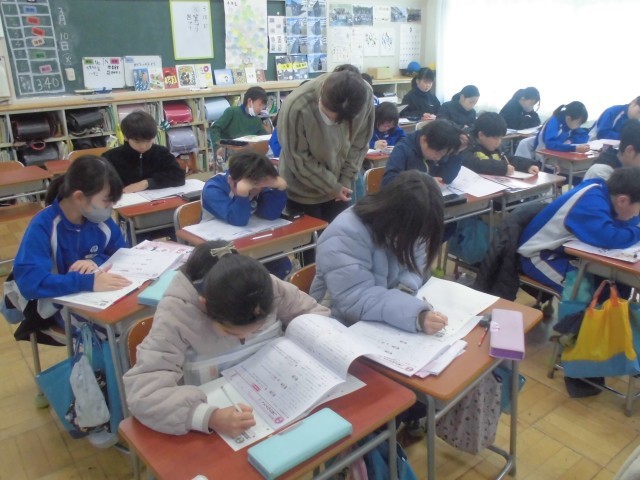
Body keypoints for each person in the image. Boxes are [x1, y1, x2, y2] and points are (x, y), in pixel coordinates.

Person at [123, 241, 330, 436]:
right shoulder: (177, 314)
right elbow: (143, 392)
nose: (245, 337)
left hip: (272, 390)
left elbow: (316, 317)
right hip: (220, 410)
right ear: (205, 305)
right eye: (232, 333)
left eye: (256, 330)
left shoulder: (267, 287)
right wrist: (208, 417)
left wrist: (330, 351)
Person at [310, 171, 448, 334]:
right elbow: (355, 299)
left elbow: (415, 266)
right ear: (394, 212)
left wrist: (404, 295)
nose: (418, 238)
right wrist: (415, 315)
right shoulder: (345, 234)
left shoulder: (412, 226)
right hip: (337, 322)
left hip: (381, 318)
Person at [10, 156, 131, 339]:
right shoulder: (44, 225)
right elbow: (30, 282)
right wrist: (87, 282)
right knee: (117, 333)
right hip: (54, 304)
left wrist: (94, 261)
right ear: (79, 197)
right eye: (106, 201)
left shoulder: (100, 221)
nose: (111, 208)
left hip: (96, 296)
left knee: (136, 318)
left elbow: (121, 253)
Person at [518, 167, 640, 294]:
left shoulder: (605, 193)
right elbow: (608, 237)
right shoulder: (591, 201)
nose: (637, 214)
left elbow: (622, 223)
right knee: (584, 292)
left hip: (565, 254)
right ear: (622, 200)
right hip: (539, 256)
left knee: (620, 285)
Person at [278, 70, 374, 225]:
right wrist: (332, 186)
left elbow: (360, 144)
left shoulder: (364, 96)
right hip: (304, 190)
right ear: (322, 93)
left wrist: (345, 180)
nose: (335, 123)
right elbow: (298, 159)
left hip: (341, 188)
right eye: (329, 117)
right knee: (311, 238)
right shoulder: (297, 106)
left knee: (338, 236)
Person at [200, 151, 291, 279]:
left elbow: (269, 214)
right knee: (241, 277)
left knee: (282, 266)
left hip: (248, 238)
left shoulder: (258, 184)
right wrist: (242, 193)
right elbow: (238, 219)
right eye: (252, 186)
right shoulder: (213, 188)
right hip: (218, 248)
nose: (256, 190)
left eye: (259, 185)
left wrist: (279, 189)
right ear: (231, 180)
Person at [103, 110, 185, 194]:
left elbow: (179, 176)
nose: (143, 146)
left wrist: (147, 183)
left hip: (156, 198)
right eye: (137, 142)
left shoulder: (162, 152)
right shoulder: (110, 157)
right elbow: (101, 185)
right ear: (126, 137)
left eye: (148, 141)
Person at [381, 119, 462, 187]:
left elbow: (446, 178)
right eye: (438, 153)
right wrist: (425, 182)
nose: (439, 158)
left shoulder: (440, 147)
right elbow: (388, 182)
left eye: (443, 154)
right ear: (424, 140)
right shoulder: (403, 149)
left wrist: (459, 151)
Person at [461, 112, 539, 176]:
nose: (499, 142)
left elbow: (507, 159)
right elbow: (475, 164)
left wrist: (527, 166)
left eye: (501, 138)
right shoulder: (464, 145)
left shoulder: (492, 147)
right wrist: (503, 168)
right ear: (481, 135)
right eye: (496, 138)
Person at [209, 86, 269, 159]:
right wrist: (218, 147)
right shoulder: (232, 112)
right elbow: (215, 128)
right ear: (250, 101)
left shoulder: (257, 120)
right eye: (259, 105)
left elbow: (263, 138)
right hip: (230, 154)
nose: (261, 109)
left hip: (248, 155)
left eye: (262, 106)